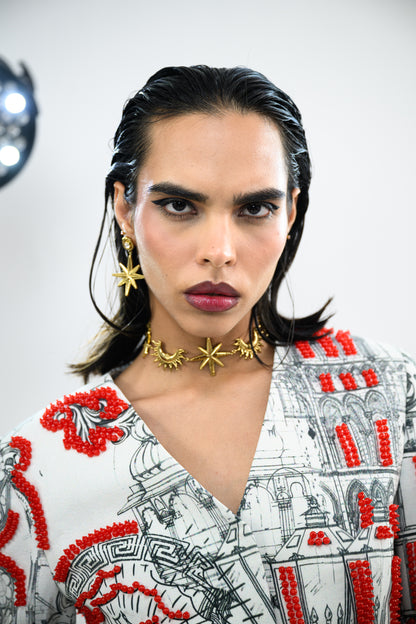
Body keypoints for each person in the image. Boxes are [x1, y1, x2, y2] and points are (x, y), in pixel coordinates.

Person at [0, 65, 415, 624]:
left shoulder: (388, 393)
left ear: (290, 212)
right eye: (179, 205)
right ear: (125, 208)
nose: (218, 250)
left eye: (254, 208)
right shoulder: (37, 470)